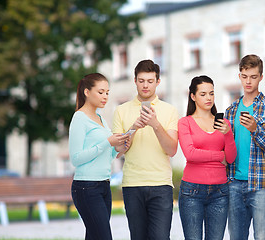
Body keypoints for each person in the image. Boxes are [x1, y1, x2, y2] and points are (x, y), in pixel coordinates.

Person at [112, 59, 179, 240]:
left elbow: (172, 149)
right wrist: (134, 128)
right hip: (132, 185)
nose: (145, 85)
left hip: (161, 184)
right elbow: (118, 150)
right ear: (135, 81)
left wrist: (155, 125)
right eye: (141, 81)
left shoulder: (170, 110)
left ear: (158, 81)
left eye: (150, 81)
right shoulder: (121, 110)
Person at [225, 54, 265, 240]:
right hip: (234, 183)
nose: (248, 81)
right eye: (244, 76)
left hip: (262, 185)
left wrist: (255, 129)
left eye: (253, 76)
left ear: (261, 77)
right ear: (239, 76)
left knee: (263, 237)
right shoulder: (231, 110)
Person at [69, 73, 130, 240]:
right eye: (101, 92)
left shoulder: (101, 118)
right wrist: (107, 142)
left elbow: (108, 154)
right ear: (87, 92)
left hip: (104, 185)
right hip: (86, 187)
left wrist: (121, 148)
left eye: (107, 93)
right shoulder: (79, 118)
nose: (105, 97)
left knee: (95, 236)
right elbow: (75, 158)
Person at [178, 75, 237, 240]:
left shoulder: (224, 123)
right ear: (193, 96)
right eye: (203, 94)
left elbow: (231, 158)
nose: (208, 98)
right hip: (192, 191)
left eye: (211, 93)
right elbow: (190, 153)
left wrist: (228, 134)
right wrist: (219, 156)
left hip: (220, 191)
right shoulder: (185, 122)